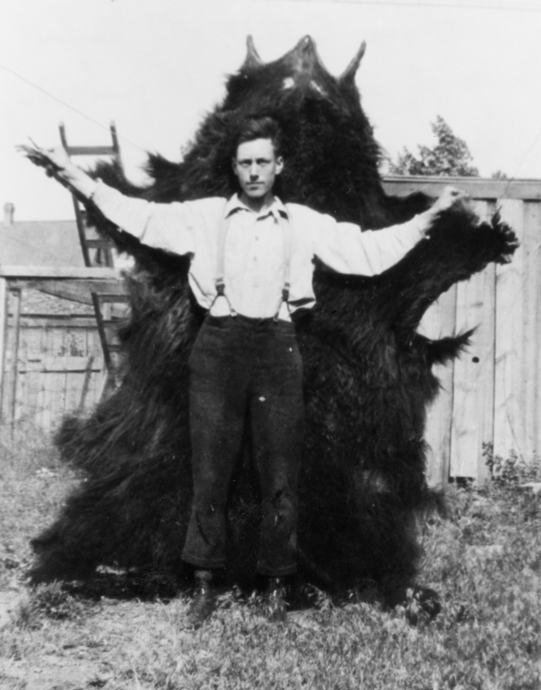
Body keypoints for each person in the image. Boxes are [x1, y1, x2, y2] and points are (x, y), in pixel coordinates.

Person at [39, 116, 463, 627]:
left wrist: (427, 219)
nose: (255, 171)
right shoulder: (207, 217)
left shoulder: (302, 223)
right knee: (210, 471)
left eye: (264, 161)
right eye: (246, 163)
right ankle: (204, 584)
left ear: (278, 166)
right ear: (235, 169)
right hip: (217, 347)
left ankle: (276, 585)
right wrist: (72, 176)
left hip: (279, 349)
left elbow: (367, 253)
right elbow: (139, 216)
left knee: (280, 474)